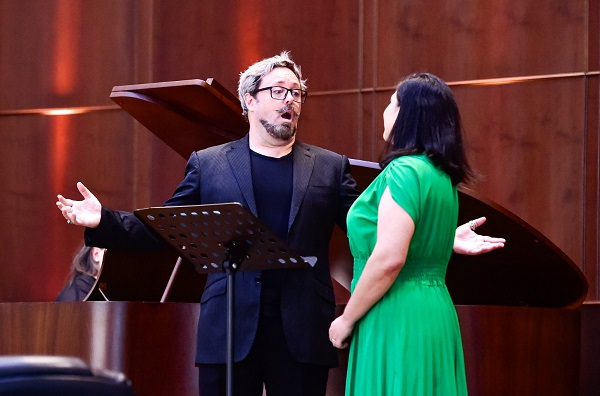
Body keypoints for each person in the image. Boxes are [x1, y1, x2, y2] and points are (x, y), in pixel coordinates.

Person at [56, 53, 503, 396]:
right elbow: (171, 227)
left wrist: (443, 236)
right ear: (249, 100)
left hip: (302, 329)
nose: (290, 100)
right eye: (278, 91)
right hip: (230, 328)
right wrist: (105, 221)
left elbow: (370, 227)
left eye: (296, 93)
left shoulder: (329, 168)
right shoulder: (209, 165)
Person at [328, 73, 481, 395]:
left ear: (406, 114)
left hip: (395, 310)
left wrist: (347, 319)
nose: (386, 110)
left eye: (391, 102)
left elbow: (389, 258)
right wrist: (445, 239)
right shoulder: (441, 176)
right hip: (434, 310)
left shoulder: (404, 171)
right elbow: (417, 241)